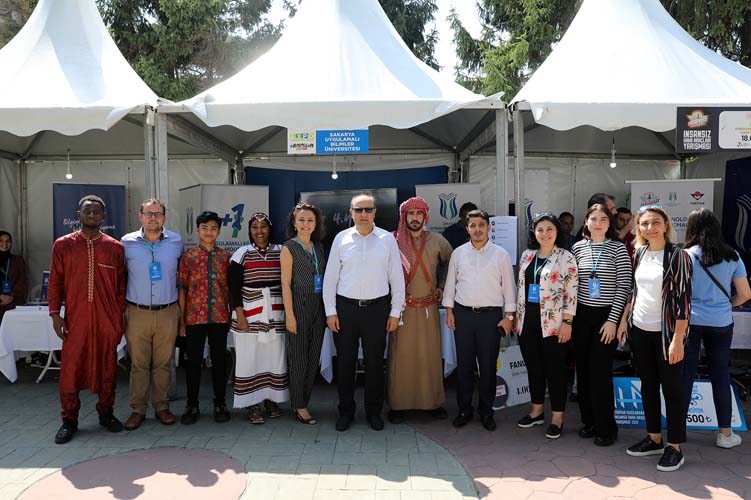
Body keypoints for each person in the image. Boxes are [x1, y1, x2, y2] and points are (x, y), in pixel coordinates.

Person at [617, 206, 692, 472]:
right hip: (640, 331)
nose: (650, 228)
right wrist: (624, 321)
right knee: (647, 387)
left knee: (672, 390)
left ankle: (675, 447)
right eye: (645, 223)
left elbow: (684, 301)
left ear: (665, 224)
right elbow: (633, 291)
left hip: (667, 334)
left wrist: (678, 339)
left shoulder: (678, 256)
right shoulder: (639, 252)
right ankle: (654, 438)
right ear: (639, 227)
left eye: (655, 222)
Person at [323, 194, 405, 432]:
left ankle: (374, 412)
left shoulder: (387, 240)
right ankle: (345, 412)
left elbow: (396, 279)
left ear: (375, 212)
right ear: (351, 213)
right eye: (358, 210)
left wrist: (395, 312)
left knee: (375, 364)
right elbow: (330, 278)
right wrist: (330, 312)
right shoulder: (341, 239)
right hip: (345, 310)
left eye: (368, 209)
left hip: (377, 310)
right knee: (345, 364)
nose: (363, 214)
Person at [48, 196, 126, 444]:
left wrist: (117, 319)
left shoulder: (114, 247)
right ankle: (69, 420)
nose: (92, 215)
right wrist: (55, 314)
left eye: (96, 212)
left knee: (108, 367)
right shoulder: (64, 245)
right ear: (78, 215)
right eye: (87, 211)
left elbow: (121, 287)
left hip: (106, 320)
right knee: (71, 370)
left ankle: (106, 413)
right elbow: (55, 281)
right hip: (76, 320)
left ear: (104, 216)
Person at [682, 208, 751, 449]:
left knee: (685, 375)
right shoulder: (733, 256)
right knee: (720, 375)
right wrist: (726, 304)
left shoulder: (685, 255)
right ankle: (725, 433)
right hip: (721, 322)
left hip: (689, 322)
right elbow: (745, 294)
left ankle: (678, 432)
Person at [443, 209, 516, 432]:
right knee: (464, 366)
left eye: (481, 225)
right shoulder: (458, 253)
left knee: (487, 367)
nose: (477, 229)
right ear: (467, 229)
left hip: (490, 318)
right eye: (472, 225)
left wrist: (509, 317)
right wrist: (449, 311)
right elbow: (450, 284)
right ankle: (464, 410)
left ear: (488, 227)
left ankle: (486, 411)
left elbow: (509, 288)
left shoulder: (500, 255)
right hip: (463, 315)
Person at [387, 197, 453, 424]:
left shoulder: (438, 241)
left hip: (428, 309)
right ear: (403, 216)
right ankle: (398, 404)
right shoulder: (392, 242)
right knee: (401, 357)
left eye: (419, 213)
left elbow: (453, 262)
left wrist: (443, 285)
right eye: (410, 214)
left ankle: (432, 403)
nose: (415, 218)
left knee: (429, 357)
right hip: (401, 310)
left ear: (425, 216)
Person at [571, 204, 632, 446]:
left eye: (603, 219)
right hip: (581, 317)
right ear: (586, 222)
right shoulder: (577, 248)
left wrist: (612, 321)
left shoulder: (618, 248)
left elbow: (624, 287)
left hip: (606, 317)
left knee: (600, 373)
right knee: (583, 372)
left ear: (610, 224)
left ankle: (606, 428)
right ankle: (589, 422)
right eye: (593, 219)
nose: (598, 223)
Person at [121, 199, 184, 430]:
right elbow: (120, 276)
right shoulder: (126, 243)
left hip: (167, 311)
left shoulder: (176, 242)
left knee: (163, 363)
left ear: (164, 217)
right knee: (138, 364)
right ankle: (137, 410)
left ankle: (161, 406)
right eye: (148, 214)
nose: (153, 218)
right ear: (140, 216)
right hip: (137, 311)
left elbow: (182, 276)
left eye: (158, 214)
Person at [515, 212, 578, 439]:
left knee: (555, 372)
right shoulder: (527, 255)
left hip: (554, 324)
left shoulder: (565, 257)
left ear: (557, 231)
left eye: (550, 229)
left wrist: (567, 322)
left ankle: (557, 417)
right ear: (534, 232)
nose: (544, 233)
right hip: (527, 323)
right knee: (534, 369)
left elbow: (571, 293)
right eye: (540, 229)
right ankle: (537, 411)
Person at [230, 213, 288, 424]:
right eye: (255, 227)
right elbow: (233, 288)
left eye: (264, 226)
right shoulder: (242, 254)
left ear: (270, 229)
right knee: (249, 358)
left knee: (274, 357)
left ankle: (271, 399)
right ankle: (252, 404)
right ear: (249, 230)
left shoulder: (281, 251)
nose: (259, 231)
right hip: (249, 314)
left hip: (276, 315)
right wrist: (240, 315)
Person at [177, 211, 231, 425]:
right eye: (205, 228)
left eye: (213, 228)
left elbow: (230, 289)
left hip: (219, 316)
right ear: (197, 230)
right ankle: (192, 404)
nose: (209, 232)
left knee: (219, 361)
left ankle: (220, 403)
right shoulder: (188, 257)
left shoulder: (225, 257)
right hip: (194, 318)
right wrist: (181, 320)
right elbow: (182, 289)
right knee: (193, 362)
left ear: (219, 231)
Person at [280, 203, 327, 425]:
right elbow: (285, 284)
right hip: (298, 306)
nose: (306, 224)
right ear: (294, 222)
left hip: (318, 307)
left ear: (316, 224)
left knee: (313, 357)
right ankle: (298, 404)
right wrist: (290, 315)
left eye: (310, 220)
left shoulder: (318, 247)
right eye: (301, 220)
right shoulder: (289, 248)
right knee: (298, 359)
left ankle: (303, 401)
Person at [0, 230, 28, 324]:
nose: (5, 244)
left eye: (8, 241)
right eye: (1, 241)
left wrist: (11, 295)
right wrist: (1, 296)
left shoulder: (18, 260)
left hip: (15, 303)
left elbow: (23, 281)